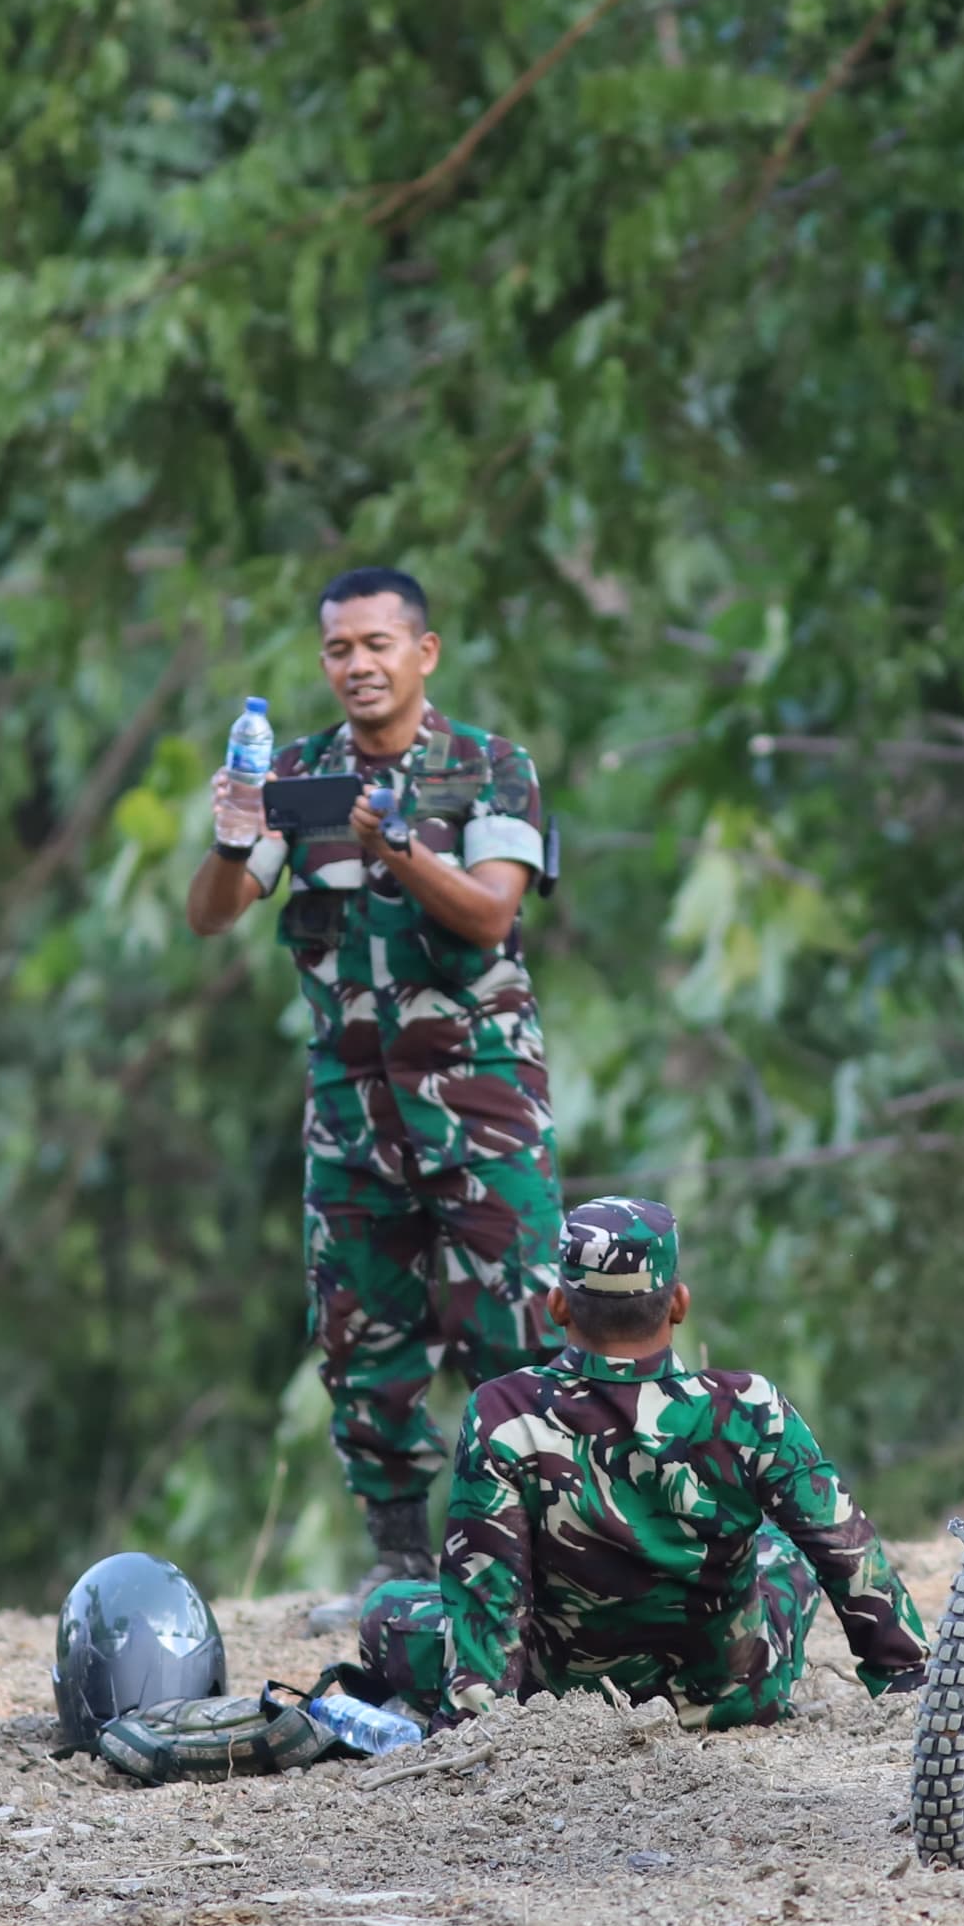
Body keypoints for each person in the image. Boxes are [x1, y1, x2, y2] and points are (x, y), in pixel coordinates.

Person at [188, 568, 559, 1593]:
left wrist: (393, 845)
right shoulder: (298, 778)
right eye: (338, 650)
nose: (357, 665)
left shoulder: (486, 767)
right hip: (351, 1119)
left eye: (377, 645)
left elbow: (490, 915)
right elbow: (213, 911)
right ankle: (399, 1567)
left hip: (481, 1106)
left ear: (422, 653)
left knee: (516, 1334)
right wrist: (231, 834)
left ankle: (522, 1566)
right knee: (362, 1346)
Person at [357, 1198, 927, 1729]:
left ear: (557, 1305)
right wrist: (908, 1676)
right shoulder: (750, 1407)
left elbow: (490, 1590)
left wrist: (479, 1719)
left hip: (556, 1699)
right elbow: (847, 1551)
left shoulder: (505, 1411)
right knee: (784, 1556)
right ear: (678, 1303)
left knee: (389, 1608)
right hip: (731, 1697)